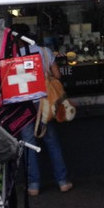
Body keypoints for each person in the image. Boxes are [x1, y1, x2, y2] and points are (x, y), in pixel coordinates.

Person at [14, 33, 72, 196]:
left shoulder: (15, 55)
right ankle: (62, 181)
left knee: (28, 143)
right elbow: (58, 76)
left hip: (24, 103)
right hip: (46, 102)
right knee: (51, 141)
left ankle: (33, 185)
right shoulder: (45, 52)